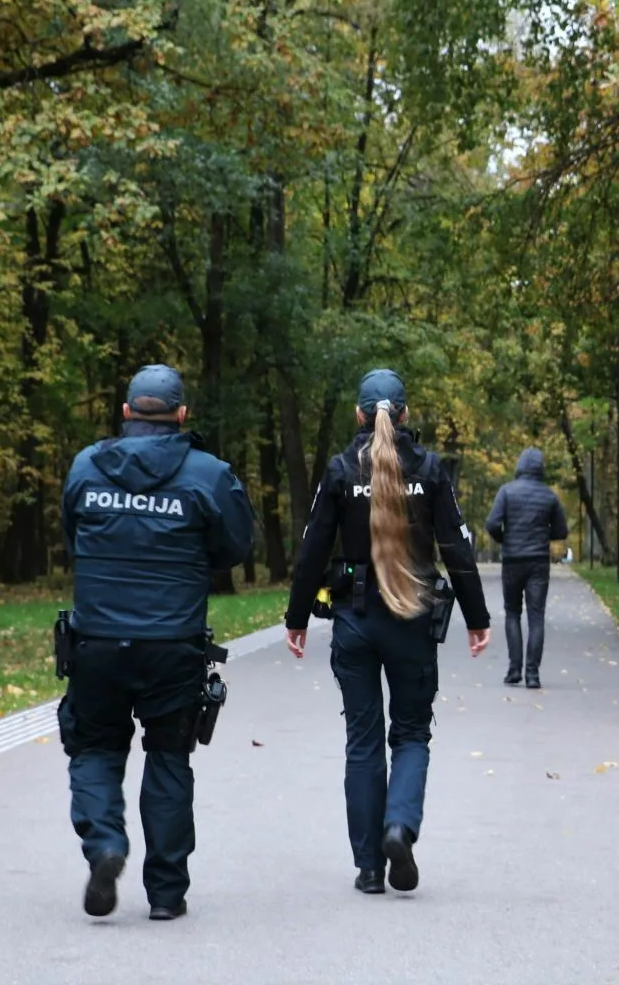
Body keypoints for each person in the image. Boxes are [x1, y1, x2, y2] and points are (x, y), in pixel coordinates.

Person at [57, 364, 254, 922]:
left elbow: (72, 535)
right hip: (174, 644)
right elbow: (236, 545)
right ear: (182, 415)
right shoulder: (209, 475)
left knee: (94, 747)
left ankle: (105, 846)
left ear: (126, 413)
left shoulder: (86, 466)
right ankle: (166, 895)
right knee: (169, 758)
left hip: (96, 641)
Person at [286, 368, 490, 895]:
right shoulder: (428, 467)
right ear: (403, 414)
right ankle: (400, 826)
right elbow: (457, 546)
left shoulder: (339, 470)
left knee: (362, 742)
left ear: (359, 415)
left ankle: (370, 868)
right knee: (412, 733)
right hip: (413, 618)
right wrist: (477, 617)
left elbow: (313, 549)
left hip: (354, 619)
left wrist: (297, 618)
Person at [485, 448, 569, 689]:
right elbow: (561, 531)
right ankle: (532, 674)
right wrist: (543, 535)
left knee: (512, 612)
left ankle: (514, 671)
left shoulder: (507, 492)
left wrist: (504, 539)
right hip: (538, 563)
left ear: (519, 466)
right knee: (536, 617)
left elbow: (492, 523)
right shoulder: (549, 496)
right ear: (540, 469)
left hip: (512, 560)